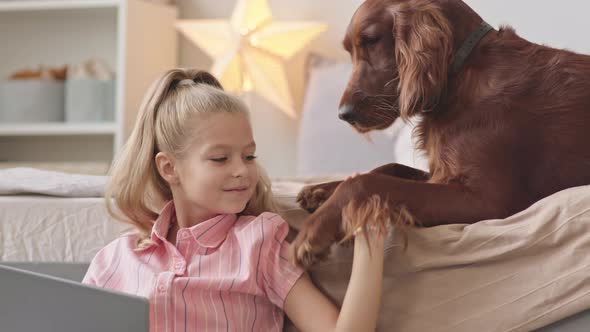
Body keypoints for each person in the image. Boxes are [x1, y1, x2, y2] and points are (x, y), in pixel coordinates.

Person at [83, 68, 388, 331]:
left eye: (249, 155)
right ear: (169, 168)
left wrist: (370, 237)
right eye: (220, 159)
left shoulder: (258, 246)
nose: (242, 171)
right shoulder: (116, 259)